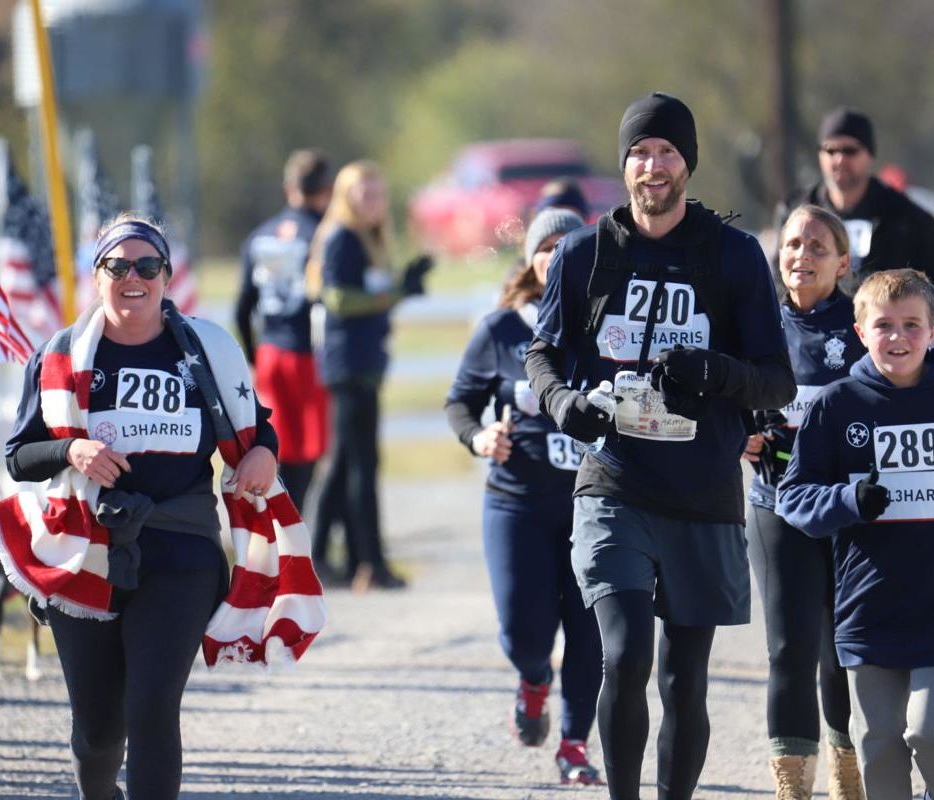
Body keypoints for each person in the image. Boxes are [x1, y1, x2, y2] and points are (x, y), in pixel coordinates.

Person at [0, 214, 324, 799]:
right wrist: (72, 449)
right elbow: (20, 456)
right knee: (98, 731)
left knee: (150, 708)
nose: (133, 277)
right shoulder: (59, 355)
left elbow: (257, 429)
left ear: (166, 277)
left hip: (181, 551)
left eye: (148, 265)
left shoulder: (207, 350)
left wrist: (263, 456)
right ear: (98, 277)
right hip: (83, 552)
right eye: (118, 266)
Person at [525, 91, 796, 798]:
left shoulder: (732, 256)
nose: (652, 166)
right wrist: (564, 403)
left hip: (703, 491)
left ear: (688, 163)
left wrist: (716, 371)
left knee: (684, 680)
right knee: (623, 656)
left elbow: (777, 380)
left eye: (666, 152)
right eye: (640, 152)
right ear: (624, 166)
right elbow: (543, 353)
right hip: (614, 483)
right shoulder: (585, 252)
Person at [445, 207, 603, 785]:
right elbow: (460, 402)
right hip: (517, 502)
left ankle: (574, 744)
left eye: (571, 245)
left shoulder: (607, 326)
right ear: (532, 259)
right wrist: (480, 436)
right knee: (523, 631)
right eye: (547, 246)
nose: (559, 255)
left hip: (594, 504)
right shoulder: (502, 328)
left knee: (590, 633)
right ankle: (533, 677)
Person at [777, 269, 934, 799]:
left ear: (933, 332)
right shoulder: (836, 404)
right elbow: (794, 499)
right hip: (870, 608)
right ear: (860, 332)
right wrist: (849, 501)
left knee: (928, 731)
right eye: (884, 325)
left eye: (913, 325)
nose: (899, 338)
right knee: (881, 743)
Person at [744, 205, 866, 799]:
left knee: (842, 646)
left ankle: (851, 771)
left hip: (847, 511)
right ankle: (791, 786)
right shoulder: (756, 326)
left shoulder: (864, 327)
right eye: (793, 244)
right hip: (777, 505)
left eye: (818, 246)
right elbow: (725, 397)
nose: (802, 255)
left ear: (843, 262)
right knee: (789, 648)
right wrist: (738, 432)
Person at [307, 160, 433, 591]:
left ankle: (320, 556)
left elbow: (370, 298)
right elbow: (339, 299)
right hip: (350, 367)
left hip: (364, 364)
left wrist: (402, 284)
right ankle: (369, 563)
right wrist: (398, 291)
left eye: (377, 193)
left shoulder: (366, 239)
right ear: (346, 196)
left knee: (345, 465)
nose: (372, 201)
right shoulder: (343, 237)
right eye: (363, 193)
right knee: (360, 465)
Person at [234, 148, 333, 512]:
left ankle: (275, 535)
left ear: (288, 187)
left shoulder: (260, 236)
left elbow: (243, 306)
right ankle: (298, 532)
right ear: (326, 189)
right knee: (310, 455)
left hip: (270, 351)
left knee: (278, 450)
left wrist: (252, 356)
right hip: (310, 353)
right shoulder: (323, 234)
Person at [777, 106, 934, 294]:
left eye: (849, 150)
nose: (839, 159)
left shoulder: (905, 218)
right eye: (830, 150)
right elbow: (776, 281)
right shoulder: (794, 211)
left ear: (870, 155)